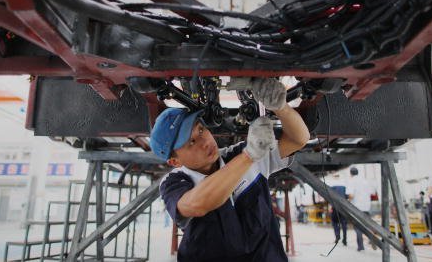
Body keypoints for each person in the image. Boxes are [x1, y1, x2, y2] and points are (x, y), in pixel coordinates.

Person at [150, 78, 309, 261]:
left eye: (201, 130)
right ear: (174, 161)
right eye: (191, 142)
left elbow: (299, 140)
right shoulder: (174, 182)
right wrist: (250, 156)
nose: (205, 143)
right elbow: (196, 205)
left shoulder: (237, 154)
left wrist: (281, 107)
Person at [346, 166, 375, 251]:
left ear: (351, 173)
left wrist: (347, 201)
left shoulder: (351, 181)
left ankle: (360, 246)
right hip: (366, 207)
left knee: (358, 227)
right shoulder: (365, 181)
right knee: (366, 225)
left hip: (357, 208)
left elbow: (351, 195)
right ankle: (371, 238)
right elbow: (372, 193)